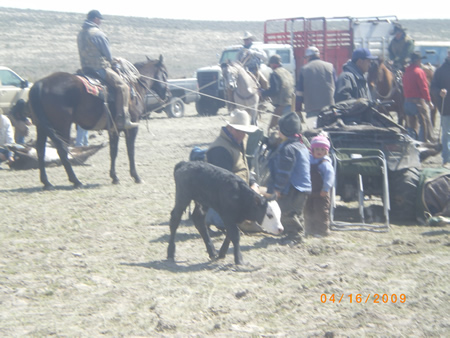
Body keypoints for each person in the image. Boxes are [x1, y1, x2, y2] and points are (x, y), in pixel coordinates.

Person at [77, 10, 138, 130]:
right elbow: (108, 56)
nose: (100, 22)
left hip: (85, 69)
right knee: (123, 87)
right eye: (99, 19)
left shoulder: (80, 33)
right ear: (95, 19)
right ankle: (123, 118)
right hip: (99, 68)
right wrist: (115, 61)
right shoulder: (98, 34)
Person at [206, 109, 261, 232]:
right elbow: (226, 183)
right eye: (238, 131)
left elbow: (243, 167)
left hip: (241, 191)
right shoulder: (220, 149)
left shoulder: (239, 141)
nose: (242, 135)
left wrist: (253, 183)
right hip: (225, 198)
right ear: (229, 128)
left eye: (244, 132)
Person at [267, 112, 311, 244]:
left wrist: (278, 188)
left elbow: (284, 172)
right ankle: (296, 232)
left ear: (285, 131)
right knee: (297, 212)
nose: (277, 131)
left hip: (292, 187)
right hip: (303, 186)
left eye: (279, 128)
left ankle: (294, 235)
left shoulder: (288, 149)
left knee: (286, 211)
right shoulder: (302, 144)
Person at [296, 46, 336, 127]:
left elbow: (299, 93)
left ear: (308, 57)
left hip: (312, 110)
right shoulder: (330, 67)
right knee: (329, 134)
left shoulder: (304, 69)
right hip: (329, 109)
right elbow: (336, 87)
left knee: (314, 134)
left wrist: (298, 110)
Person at [304, 135, 335, 238]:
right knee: (308, 209)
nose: (319, 151)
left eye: (322, 149)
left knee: (320, 211)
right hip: (310, 191)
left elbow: (329, 177)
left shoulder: (325, 163)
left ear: (326, 151)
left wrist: (326, 188)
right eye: (316, 149)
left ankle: (322, 231)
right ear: (312, 150)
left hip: (322, 192)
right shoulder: (309, 160)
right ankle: (309, 229)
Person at [402, 52, 435, 142]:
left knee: (411, 126)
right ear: (417, 61)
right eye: (420, 60)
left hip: (407, 103)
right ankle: (422, 143)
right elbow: (424, 88)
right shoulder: (419, 72)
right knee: (424, 123)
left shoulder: (406, 73)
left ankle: (411, 142)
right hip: (417, 103)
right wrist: (429, 101)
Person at [261, 54, 295, 131]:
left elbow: (274, 91)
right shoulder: (287, 72)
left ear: (272, 64)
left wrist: (263, 93)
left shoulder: (274, 74)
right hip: (292, 105)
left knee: (272, 129)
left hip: (281, 107)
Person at [430, 49, 450, 167]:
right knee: (446, 134)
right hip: (446, 107)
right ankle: (446, 160)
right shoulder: (440, 71)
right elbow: (433, 87)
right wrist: (439, 92)